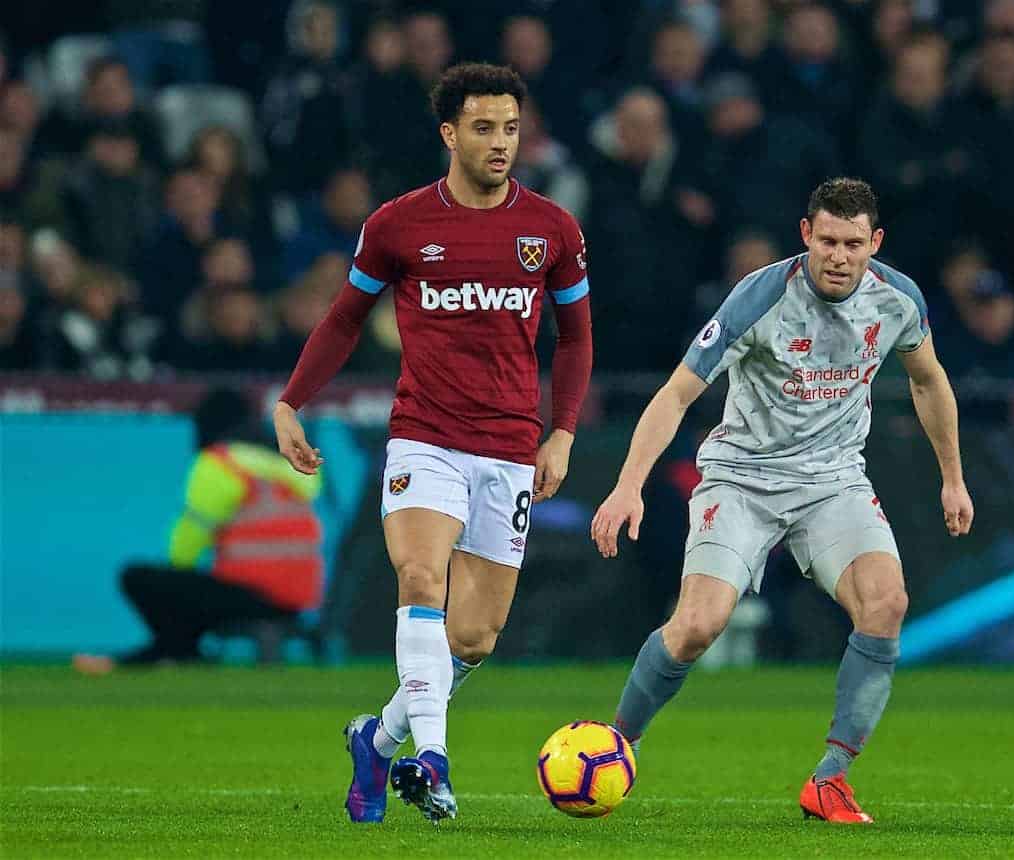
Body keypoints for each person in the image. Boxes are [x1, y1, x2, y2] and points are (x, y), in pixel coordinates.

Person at [591, 178, 973, 825]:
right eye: (827, 239)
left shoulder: (898, 300)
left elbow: (929, 379)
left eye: (853, 243)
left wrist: (953, 477)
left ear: (874, 243)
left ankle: (830, 779)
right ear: (806, 235)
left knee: (886, 604)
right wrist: (628, 486)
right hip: (741, 477)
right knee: (697, 626)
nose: (839, 255)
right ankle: (615, 745)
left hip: (833, 481)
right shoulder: (760, 297)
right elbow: (677, 394)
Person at [271, 63, 592, 825]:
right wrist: (291, 401)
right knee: (420, 578)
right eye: (484, 128)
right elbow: (346, 317)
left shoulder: (551, 229)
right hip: (426, 438)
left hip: (511, 446)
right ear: (450, 133)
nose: (501, 143)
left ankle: (377, 741)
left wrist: (564, 431)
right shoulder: (398, 224)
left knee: (474, 638)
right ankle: (436, 764)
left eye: (511, 128)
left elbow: (576, 337)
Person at [72, 388, 322, 674]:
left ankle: (172, 653)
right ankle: (167, 652)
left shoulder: (220, 464)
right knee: (191, 604)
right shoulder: (287, 462)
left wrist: (176, 589)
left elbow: (185, 549)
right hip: (298, 598)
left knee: (138, 578)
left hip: (248, 595)